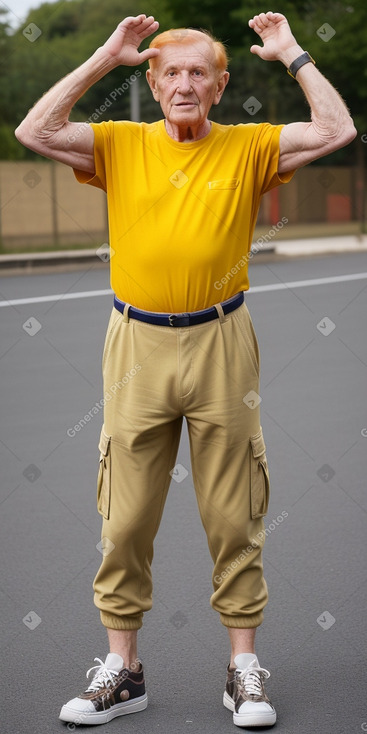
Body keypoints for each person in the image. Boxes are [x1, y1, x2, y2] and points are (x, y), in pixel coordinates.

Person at [15, 10, 356, 729]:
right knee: (125, 514)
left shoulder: (250, 147)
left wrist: (294, 55)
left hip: (222, 342)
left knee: (234, 514)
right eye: (169, 72)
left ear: (220, 84)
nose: (183, 84)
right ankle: (123, 672)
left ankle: (241, 671)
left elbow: (335, 130)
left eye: (199, 72)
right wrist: (107, 58)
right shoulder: (117, 145)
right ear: (154, 79)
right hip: (134, 344)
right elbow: (34, 131)